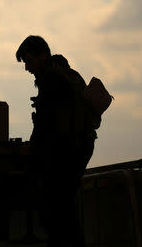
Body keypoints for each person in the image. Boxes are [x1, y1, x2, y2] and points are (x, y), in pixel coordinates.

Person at [16, 35, 96, 246]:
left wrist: (32, 149)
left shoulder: (52, 80)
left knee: (54, 207)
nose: (27, 68)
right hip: (79, 146)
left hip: (69, 150)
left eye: (29, 61)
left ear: (43, 56)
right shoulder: (67, 74)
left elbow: (46, 125)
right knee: (62, 205)